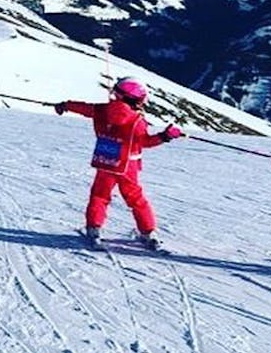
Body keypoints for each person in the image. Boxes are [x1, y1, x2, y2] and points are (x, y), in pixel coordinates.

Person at [54, 77, 183, 249]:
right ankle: (148, 232)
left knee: (99, 196)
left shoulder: (102, 110)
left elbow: (84, 108)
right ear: (134, 99)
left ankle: (94, 229)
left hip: (105, 160)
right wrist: (165, 136)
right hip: (127, 165)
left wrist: (66, 105)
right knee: (136, 199)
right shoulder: (136, 121)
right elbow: (145, 142)